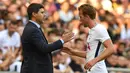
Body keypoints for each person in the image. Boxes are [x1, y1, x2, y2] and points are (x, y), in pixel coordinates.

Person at [20, 3, 74, 73]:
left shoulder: (33, 27)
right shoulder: (32, 29)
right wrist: (62, 41)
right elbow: (44, 48)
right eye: (42, 12)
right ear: (34, 14)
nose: (45, 15)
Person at [63, 4, 114, 73]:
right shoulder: (92, 30)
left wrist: (94, 61)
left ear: (87, 17)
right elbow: (91, 54)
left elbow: (111, 49)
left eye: (81, 17)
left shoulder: (99, 29)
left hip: (98, 70)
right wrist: (72, 52)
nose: (80, 20)